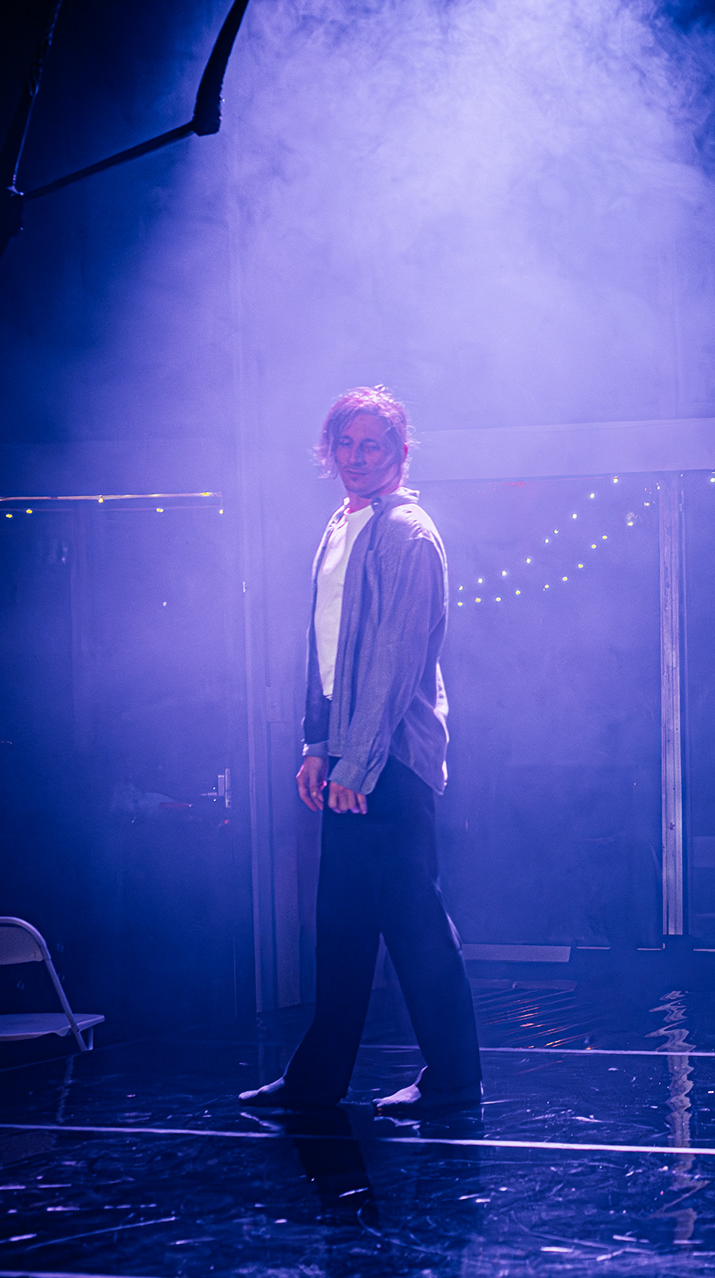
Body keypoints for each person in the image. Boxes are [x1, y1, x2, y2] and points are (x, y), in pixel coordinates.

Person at [239, 386, 483, 1116]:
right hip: (350, 756)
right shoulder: (341, 526)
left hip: (391, 762)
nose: (356, 456)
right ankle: (318, 1080)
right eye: (344, 443)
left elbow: (392, 663)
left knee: (414, 925)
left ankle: (454, 1080)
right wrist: (318, 744)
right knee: (342, 926)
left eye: (371, 444)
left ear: (400, 453)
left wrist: (359, 763)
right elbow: (325, 654)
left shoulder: (407, 533)